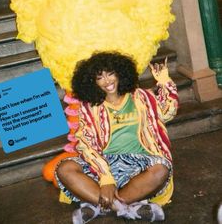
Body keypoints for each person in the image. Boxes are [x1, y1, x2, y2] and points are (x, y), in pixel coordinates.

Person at [55, 51, 178, 223]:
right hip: (103, 163)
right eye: (100, 77)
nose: (107, 81)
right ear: (93, 82)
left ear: (120, 73)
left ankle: (99, 206)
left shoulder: (142, 97)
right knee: (64, 168)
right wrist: (105, 178)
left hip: (140, 163)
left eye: (110, 73)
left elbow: (167, 112)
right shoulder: (89, 107)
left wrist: (165, 83)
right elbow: (86, 143)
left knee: (161, 169)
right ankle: (124, 208)